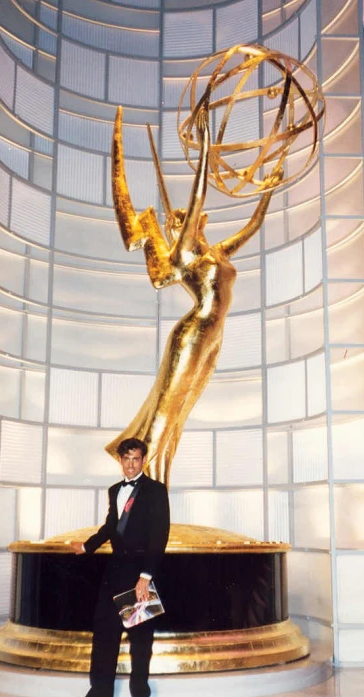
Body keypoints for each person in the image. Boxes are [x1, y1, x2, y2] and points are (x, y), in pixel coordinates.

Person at [105, 99, 281, 485]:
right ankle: (139, 480)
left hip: (214, 336)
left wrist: (268, 189)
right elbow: (197, 194)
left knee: (181, 411)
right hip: (194, 331)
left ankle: (158, 486)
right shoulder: (184, 251)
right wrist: (202, 150)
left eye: (184, 220)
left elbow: (252, 227)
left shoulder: (215, 252)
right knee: (168, 408)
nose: (182, 220)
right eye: (180, 220)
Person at [69, 438, 170, 697]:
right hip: (114, 572)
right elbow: (110, 526)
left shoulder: (156, 491)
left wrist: (145, 577)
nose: (130, 464)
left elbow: (159, 536)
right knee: (103, 633)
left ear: (143, 460)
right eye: (126, 459)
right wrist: (87, 546)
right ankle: (99, 692)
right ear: (120, 461)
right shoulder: (115, 490)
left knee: (140, 639)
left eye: (135, 459)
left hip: (140, 575)